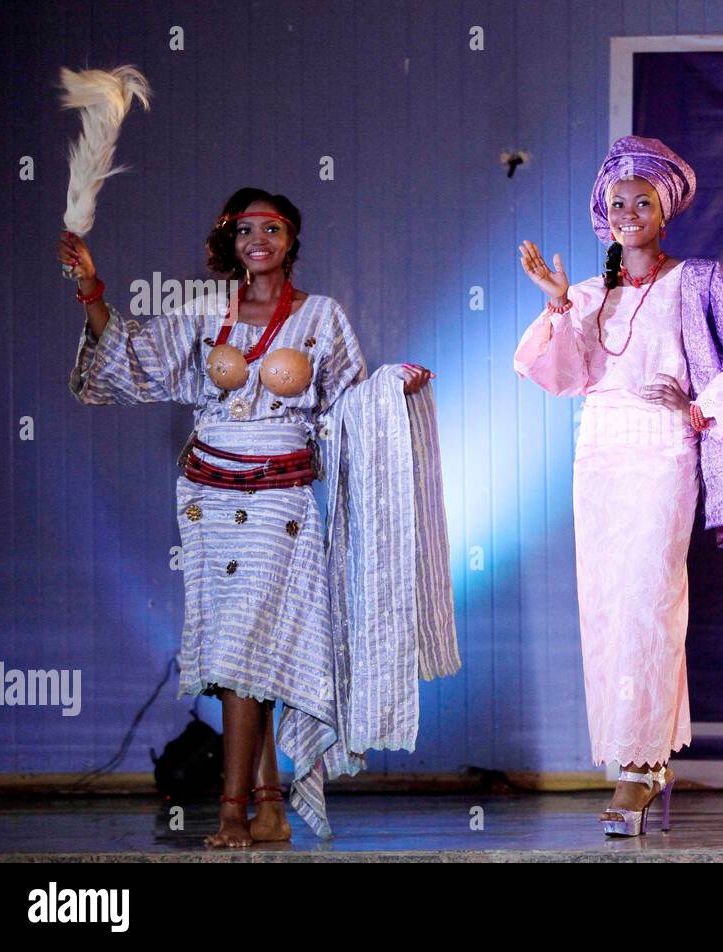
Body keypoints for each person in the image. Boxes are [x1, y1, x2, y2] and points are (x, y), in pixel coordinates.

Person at [61, 187, 447, 846]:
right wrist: (93, 291)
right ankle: (270, 805)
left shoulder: (322, 316)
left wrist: (390, 388)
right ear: (231, 244)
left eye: (271, 228)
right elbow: (134, 360)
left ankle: (232, 813)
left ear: (292, 239)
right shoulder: (207, 311)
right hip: (209, 494)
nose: (258, 240)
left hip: (282, 501)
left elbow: (346, 406)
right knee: (243, 650)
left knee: (246, 647)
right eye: (245, 231)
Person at [514, 136, 723, 836]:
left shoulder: (697, 280)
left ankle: (639, 771)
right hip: (599, 453)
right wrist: (558, 308)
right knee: (606, 606)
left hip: (662, 450)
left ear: (665, 211)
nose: (628, 211)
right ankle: (628, 757)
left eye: (643, 201)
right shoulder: (586, 294)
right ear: (602, 215)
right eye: (617, 202)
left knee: (649, 598)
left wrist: (709, 406)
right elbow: (560, 378)